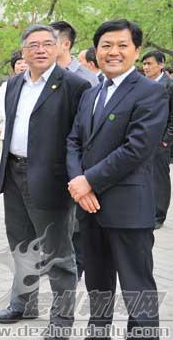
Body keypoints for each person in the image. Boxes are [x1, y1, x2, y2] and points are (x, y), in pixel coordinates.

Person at [67, 19, 167, 340]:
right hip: (90, 208)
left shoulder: (151, 92)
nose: (114, 52)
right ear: (96, 50)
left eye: (122, 45)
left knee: (137, 290)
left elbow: (136, 149)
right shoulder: (90, 93)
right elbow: (73, 142)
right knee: (98, 287)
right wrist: (78, 184)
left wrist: (88, 181)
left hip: (129, 208)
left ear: (136, 51)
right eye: (106, 45)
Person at [0, 24, 91, 336]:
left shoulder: (74, 85)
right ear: (23, 51)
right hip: (13, 174)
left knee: (58, 255)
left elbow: (81, 138)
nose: (40, 49)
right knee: (22, 246)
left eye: (47, 44)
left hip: (51, 180)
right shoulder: (13, 84)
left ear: (58, 47)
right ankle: (23, 304)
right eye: (33, 45)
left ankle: (62, 321)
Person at [142, 50, 173, 230]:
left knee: (160, 178)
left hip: (161, 140)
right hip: (143, 138)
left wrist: (166, 140)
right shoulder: (144, 84)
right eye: (144, 64)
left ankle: (159, 215)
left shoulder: (169, 85)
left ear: (161, 65)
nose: (146, 67)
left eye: (149, 64)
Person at [50, 21, 99, 86]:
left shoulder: (88, 78)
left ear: (66, 45)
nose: (44, 47)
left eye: (49, 42)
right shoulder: (40, 72)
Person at [0, 50, 29, 140]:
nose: (22, 65)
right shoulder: (6, 86)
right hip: (10, 133)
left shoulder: (36, 85)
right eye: (18, 63)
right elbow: (3, 111)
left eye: (26, 62)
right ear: (13, 67)